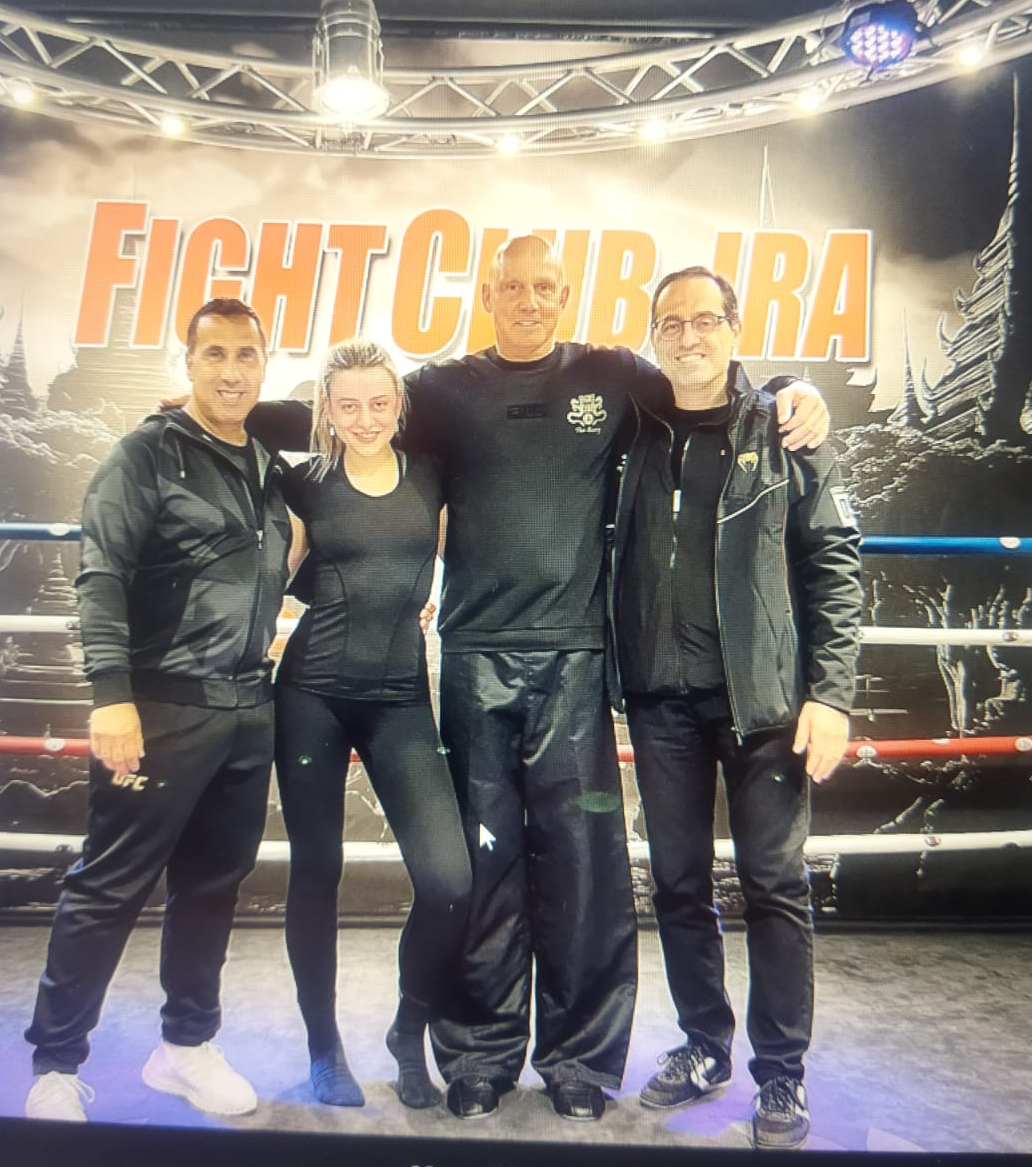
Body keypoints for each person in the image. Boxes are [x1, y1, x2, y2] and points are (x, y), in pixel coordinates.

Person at [246, 235, 830, 1123]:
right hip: (476, 657)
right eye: (512, 287)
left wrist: (793, 388)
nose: (528, 301)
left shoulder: (612, 375)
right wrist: (230, 411)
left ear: (564, 295)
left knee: (582, 871)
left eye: (544, 288)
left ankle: (579, 1060)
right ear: (487, 295)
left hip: (576, 659)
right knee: (485, 869)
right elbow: (349, 411)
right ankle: (478, 1055)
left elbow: (709, 385)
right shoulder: (442, 388)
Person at [607, 266, 861, 1150]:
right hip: (659, 697)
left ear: (733, 327)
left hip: (765, 702)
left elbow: (834, 561)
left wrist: (831, 692)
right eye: (670, 322)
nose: (687, 336)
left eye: (704, 319)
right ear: (653, 334)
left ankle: (781, 1072)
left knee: (773, 886)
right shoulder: (630, 428)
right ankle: (702, 1045)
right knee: (676, 883)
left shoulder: (784, 425)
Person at [23, 297, 292, 1122]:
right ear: (189, 362)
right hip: (161, 704)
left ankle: (184, 1047)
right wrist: (111, 696)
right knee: (109, 886)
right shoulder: (144, 453)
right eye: (215, 354)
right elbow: (101, 574)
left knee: (212, 886)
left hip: (246, 706)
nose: (231, 371)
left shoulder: (266, 462)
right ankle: (56, 1064)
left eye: (246, 354)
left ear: (264, 363)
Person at [272, 339, 471, 1110]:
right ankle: (323, 1049)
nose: (364, 418)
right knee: (316, 871)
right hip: (311, 696)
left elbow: (457, 552)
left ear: (399, 406)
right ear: (325, 409)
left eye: (379, 403)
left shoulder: (431, 473)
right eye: (347, 404)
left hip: (398, 698)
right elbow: (273, 573)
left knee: (448, 880)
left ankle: (407, 1028)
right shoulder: (303, 482)